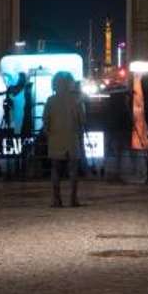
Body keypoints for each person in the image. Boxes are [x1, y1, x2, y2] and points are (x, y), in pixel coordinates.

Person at [43, 71, 86, 208]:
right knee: (73, 168)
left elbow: (45, 120)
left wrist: (48, 132)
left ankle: (57, 199)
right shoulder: (77, 100)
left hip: (55, 136)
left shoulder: (50, 100)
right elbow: (82, 120)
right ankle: (73, 199)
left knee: (55, 168)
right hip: (72, 135)